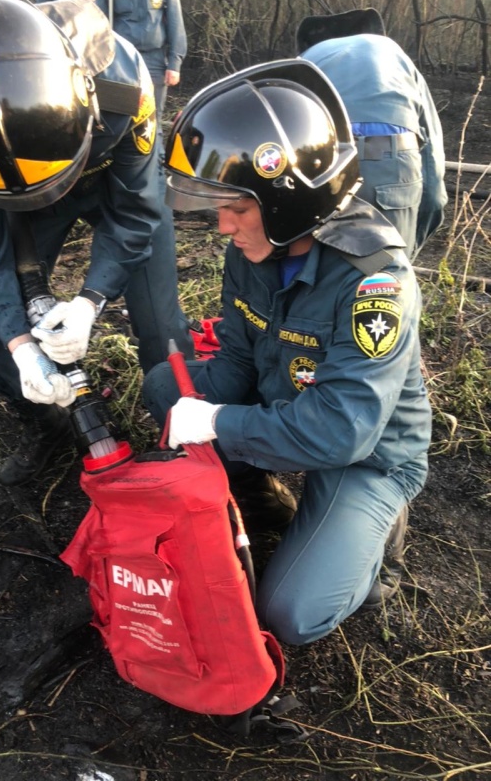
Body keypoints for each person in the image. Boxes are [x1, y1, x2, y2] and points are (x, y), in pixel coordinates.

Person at [142, 59, 432, 646]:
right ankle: (259, 494)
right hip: (287, 403)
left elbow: (341, 431)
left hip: (366, 451)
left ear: (287, 201)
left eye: (238, 208)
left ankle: (380, 545)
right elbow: (238, 360)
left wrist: (220, 422)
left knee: (292, 614)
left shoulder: (374, 282)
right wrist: (203, 409)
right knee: (165, 390)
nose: (224, 226)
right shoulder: (251, 252)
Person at [0, 0, 193, 486]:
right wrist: (22, 347)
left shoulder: (124, 86)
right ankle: (46, 420)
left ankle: (186, 437)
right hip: (13, 195)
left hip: (110, 179)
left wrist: (90, 300)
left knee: (160, 323)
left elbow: (136, 214)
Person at [297, 8, 447, 260]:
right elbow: (432, 177)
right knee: (387, 280)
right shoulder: (395, 56)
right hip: (393, 162)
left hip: (321, 167)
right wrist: (408, 251)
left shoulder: (306, 60)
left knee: (318, 278)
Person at [94, 0, 187, 144]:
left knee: (152, 123)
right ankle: (124, 166)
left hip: (155, 61)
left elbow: (175, 18)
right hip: (122, 61)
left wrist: (175, 63)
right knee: (121, 121)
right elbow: (99, 21)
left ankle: (156, 167)